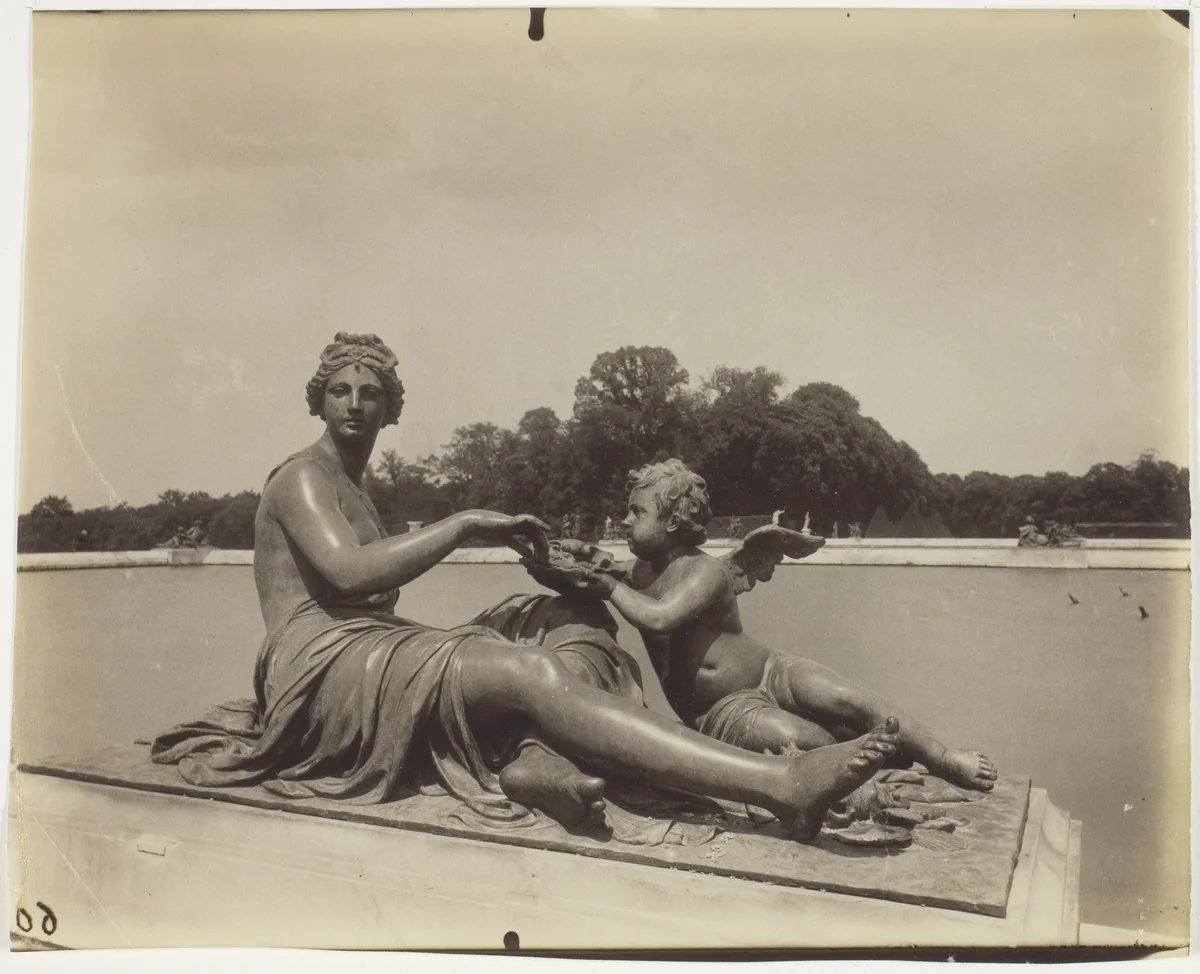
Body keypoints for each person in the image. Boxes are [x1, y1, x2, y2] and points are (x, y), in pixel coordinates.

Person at [152, 334, 900, 841]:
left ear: (389, 406)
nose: (354, 403)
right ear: (317, 401)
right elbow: (349, 576)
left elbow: (371, 593)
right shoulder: (303, 479)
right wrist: (467, 524)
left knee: (567, 612)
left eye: (369, 392)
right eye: (340, 390)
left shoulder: (356, 486)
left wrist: (552, 569)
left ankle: (532, 764)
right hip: (320, 669)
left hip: (369, 653)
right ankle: (779, 784)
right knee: (530, 669)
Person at [561, 459, 997, 793]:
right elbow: (603, 572)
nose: (624, 521)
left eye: (636, 513)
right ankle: (877, 762)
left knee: (847, 696)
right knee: (802, 741)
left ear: (672, 522)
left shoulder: (703, 572)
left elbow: (660, 616)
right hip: (721, 711)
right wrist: (573, 558)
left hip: (773, 670)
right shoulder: (637, 572)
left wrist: (604, 584)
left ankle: (941, 758)